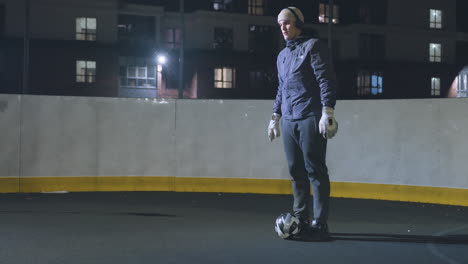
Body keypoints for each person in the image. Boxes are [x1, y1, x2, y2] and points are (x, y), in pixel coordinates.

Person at [268, 7, 338, 241]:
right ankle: (301, 219)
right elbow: (281, 88)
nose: (283, 28)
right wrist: (275, 116)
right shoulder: (282, 56)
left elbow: (325, 79)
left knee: (315, 170)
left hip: (309, 115)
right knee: (295, 172)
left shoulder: (313, 46)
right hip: (288, 119)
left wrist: (327, 111)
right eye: (280, 25)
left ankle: (320, 222)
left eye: (287, 23)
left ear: (298, 22)